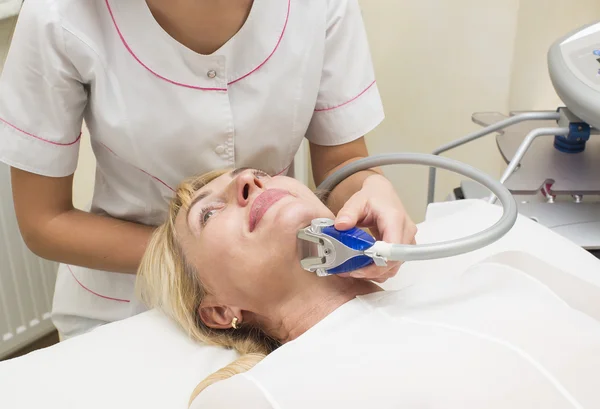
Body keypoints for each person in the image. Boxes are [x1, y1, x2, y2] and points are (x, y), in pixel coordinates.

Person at [0, 0, 417, 339]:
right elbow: (45, 221)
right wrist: (203, 263)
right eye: (210, 211)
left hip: (279, 293)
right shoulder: (58, 15)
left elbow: (342, 164)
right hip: (123, 307)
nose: (249, 183)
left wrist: (369, 188)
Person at [137, 168, 600, 408]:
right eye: (209, 214)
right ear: (219, 310)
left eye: (260, 171)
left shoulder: (495, 271)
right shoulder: (258, 397)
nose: (248, 181)